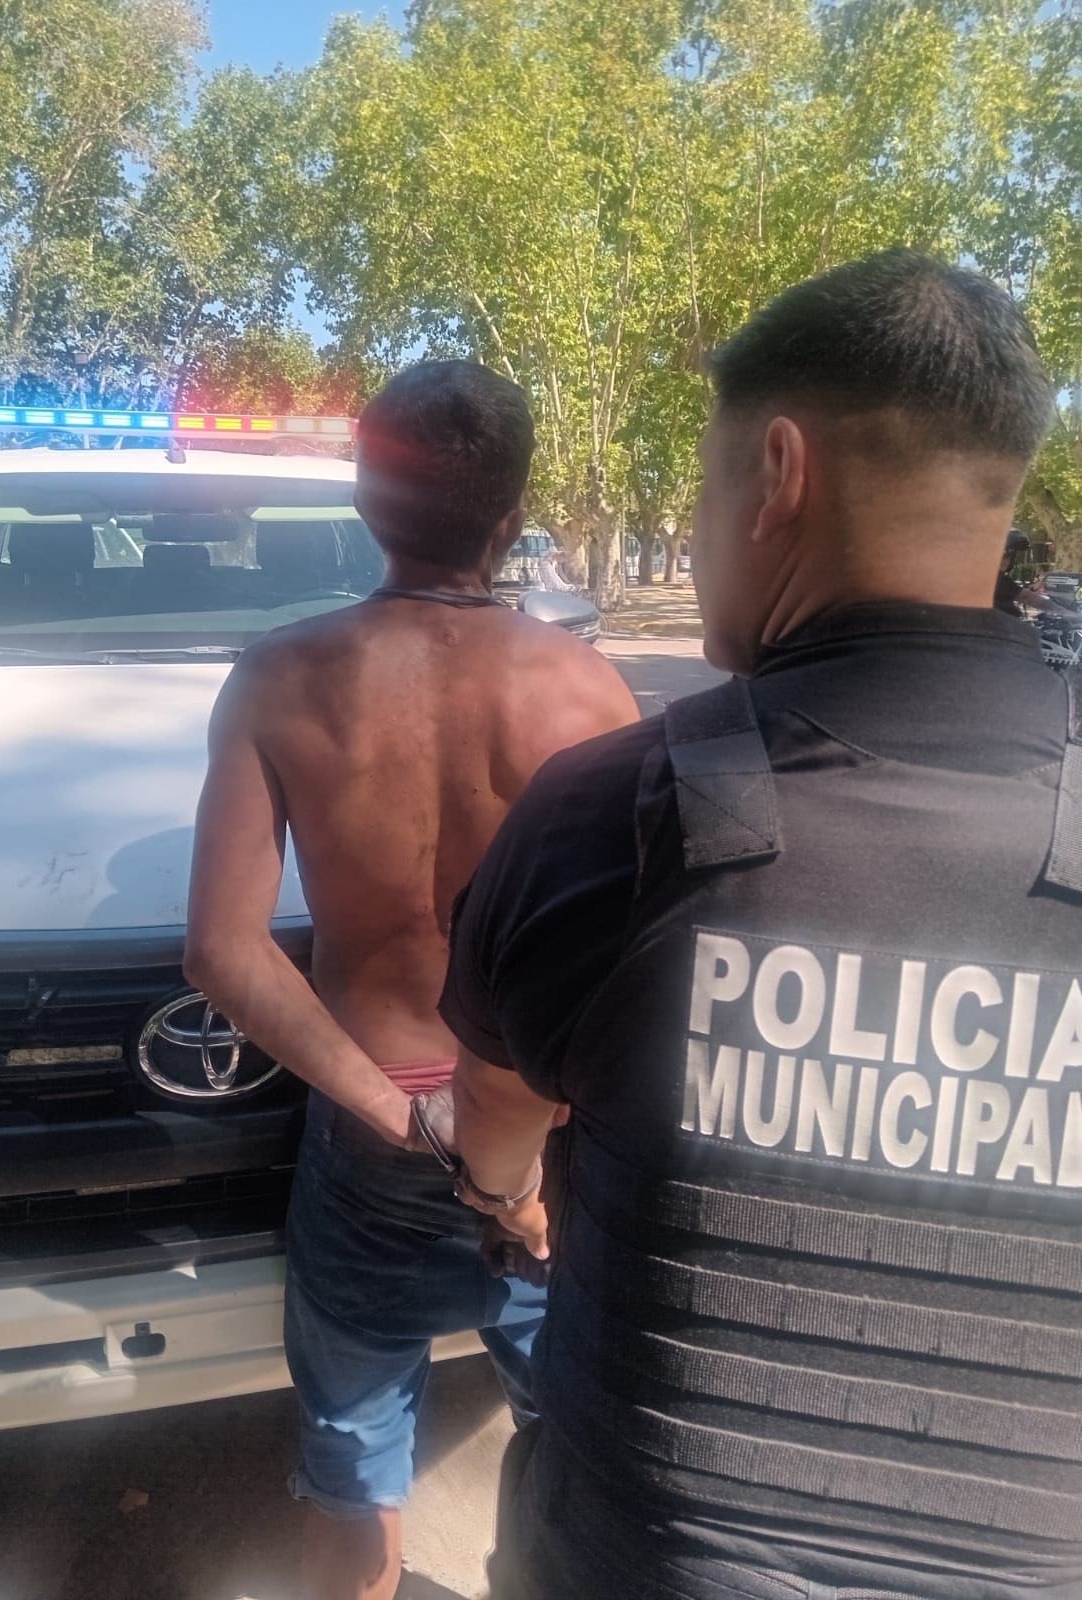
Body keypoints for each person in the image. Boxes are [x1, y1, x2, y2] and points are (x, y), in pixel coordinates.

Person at [440, 250, 1082, 1600]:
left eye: (705, 483)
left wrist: (505, 1199)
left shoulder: (611, 815)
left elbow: (498, 1115)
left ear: (778, 473)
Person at [183, 358, 637, 1600]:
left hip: (376, 1134)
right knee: (578, 1454)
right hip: (543, 1145)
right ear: (513, 515)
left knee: (352, 1468)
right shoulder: (591, 693)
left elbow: (222, 948)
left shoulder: (280, 678)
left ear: (367, 502)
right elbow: (634, 956)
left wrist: (401, 1113)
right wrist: (519, 1154)